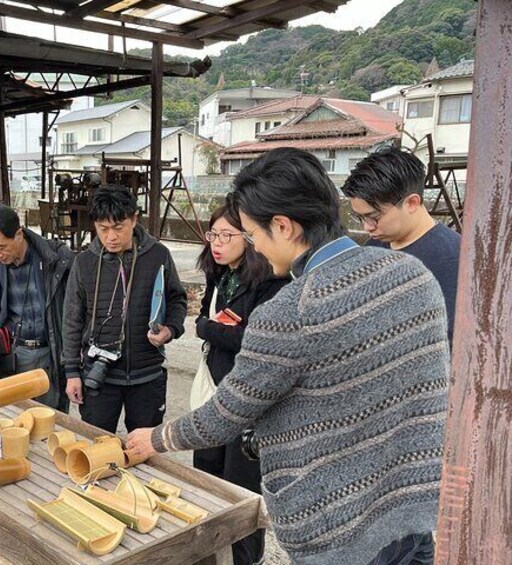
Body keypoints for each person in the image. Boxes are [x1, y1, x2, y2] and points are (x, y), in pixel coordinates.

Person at [126, 148, 448, 565]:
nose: (253, 246)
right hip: (413, 513)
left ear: (283, 226)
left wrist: (156, 438)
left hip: (340, 529)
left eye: (251, 235)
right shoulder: (412, 275)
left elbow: (227, 414)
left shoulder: (290, 311)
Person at [193, 198, 288, 565]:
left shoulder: (271, 282)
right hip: (214, 392)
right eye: (213, 234)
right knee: (207, 478)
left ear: (249, 237)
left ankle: (249, 559)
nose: (216, 243)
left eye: (226, 235)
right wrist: (212, 327)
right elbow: (205, 318)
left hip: (248, 403)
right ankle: (208, 555)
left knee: (241, 490)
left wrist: (210, 329)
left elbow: (254, 340)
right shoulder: (218, 274)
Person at [62, 187, 187, 434]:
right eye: (103, 228)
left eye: (118, 227)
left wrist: (170, 330)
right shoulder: (84, 262)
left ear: (134, 219)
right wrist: (71, 372)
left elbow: (177, 300)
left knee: (145, 448)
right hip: (99, 376)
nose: (111, 237)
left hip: (147, 374)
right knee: (95, 444)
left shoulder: (158, 255)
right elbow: (71, 320)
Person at [0, 202, 73, 412]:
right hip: (7, 355)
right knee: (5, 421)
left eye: (1, 247)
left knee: (47, 423)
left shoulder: (57, 260)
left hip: (48, 356)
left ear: (19, 234)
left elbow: (77, 312)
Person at [342, 147, 460, 342]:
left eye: (374, 217)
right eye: (360, 217)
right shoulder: (372, 248)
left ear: (412, 203)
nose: (367, 227)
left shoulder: (454, 259)